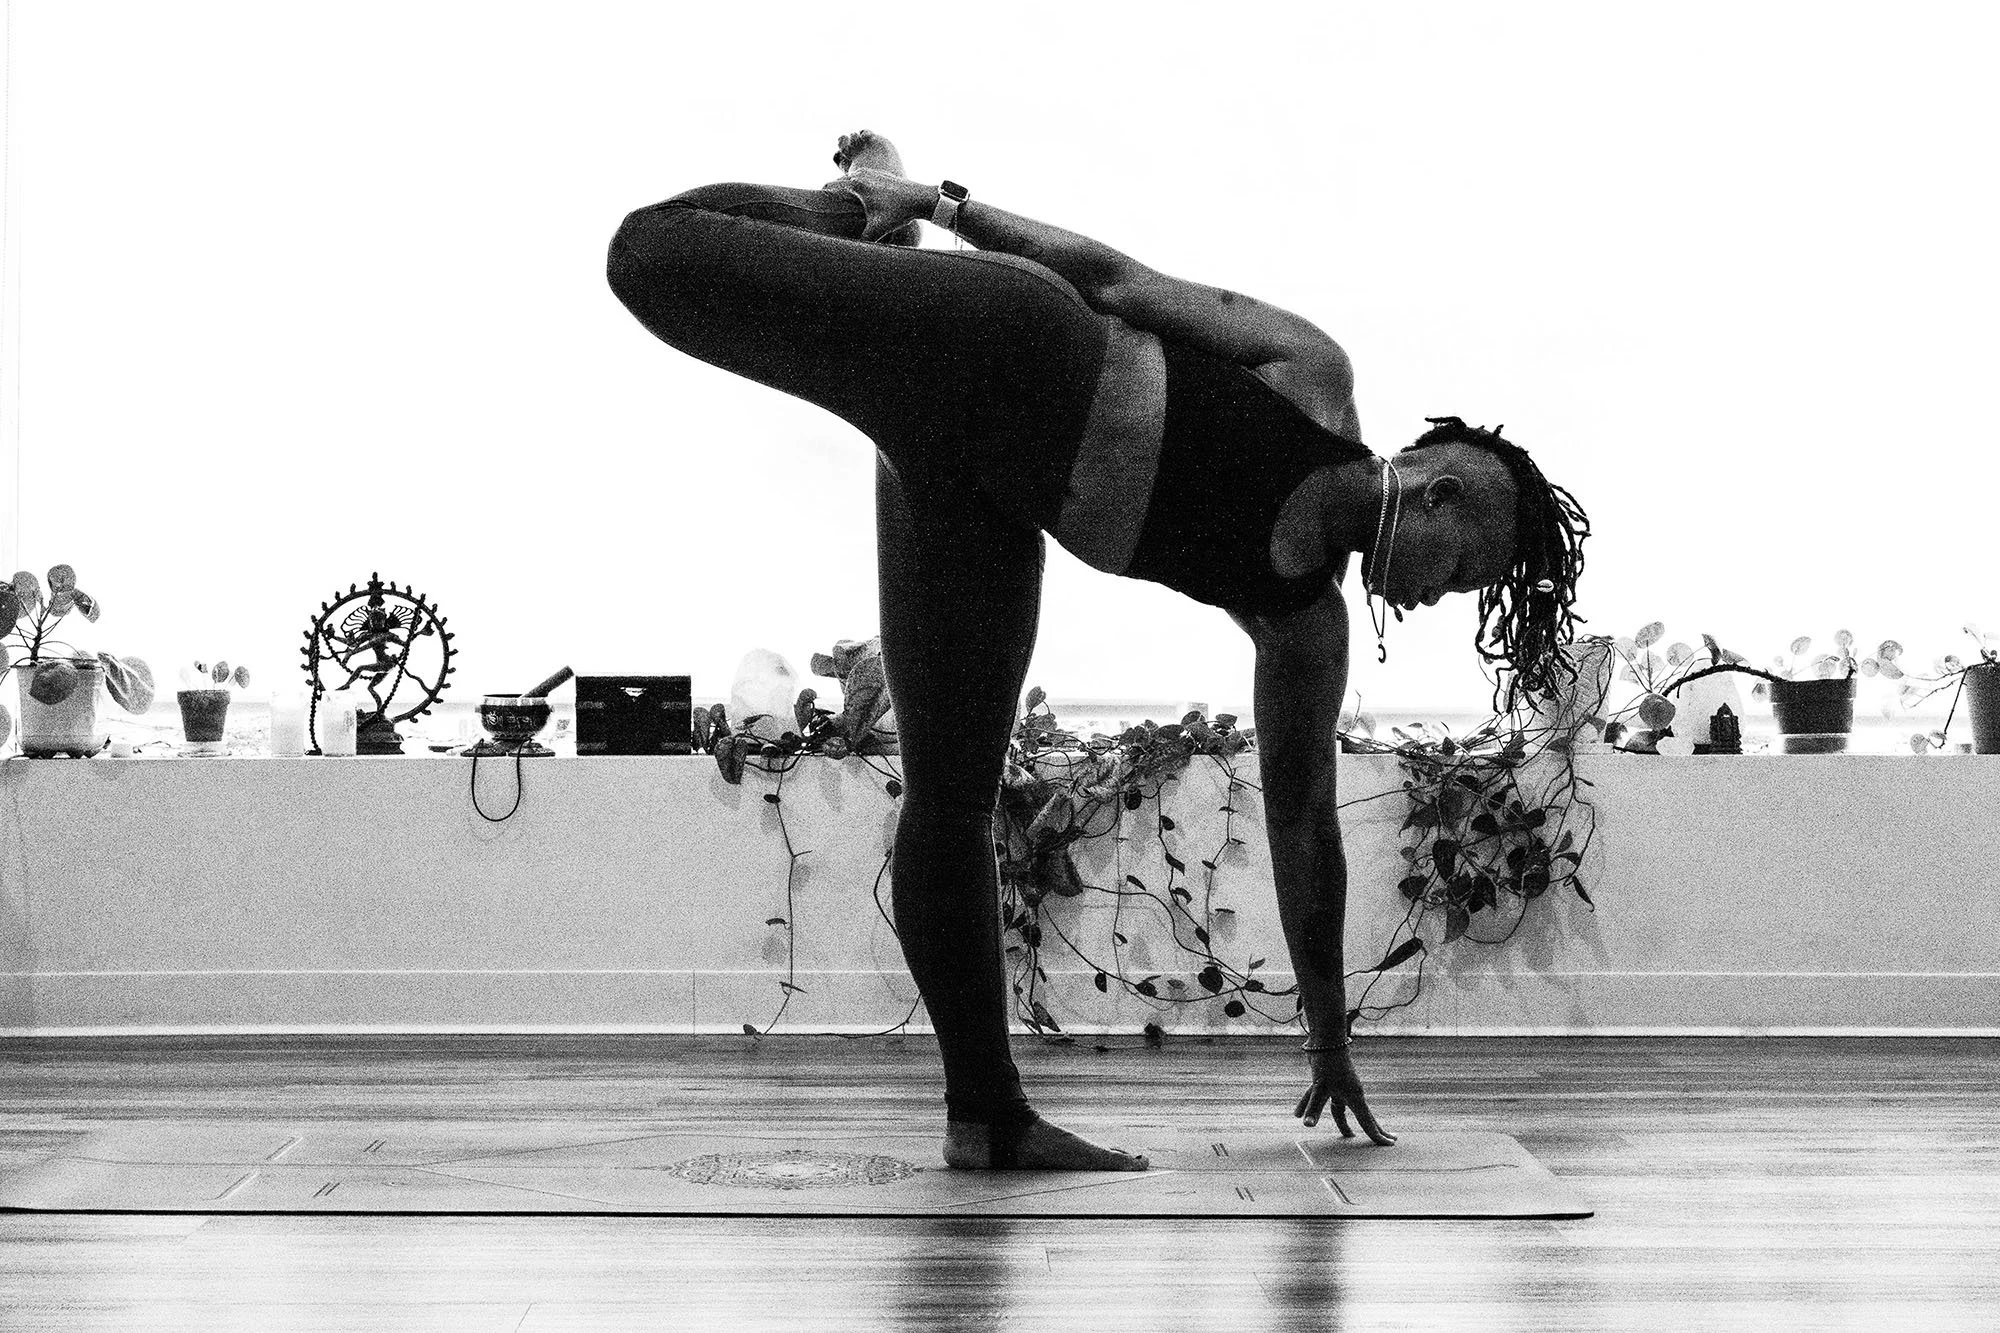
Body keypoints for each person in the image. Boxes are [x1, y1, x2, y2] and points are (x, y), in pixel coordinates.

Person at [606, 131, 1590, 1172]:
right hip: (1002, 335)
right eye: (1460, 569)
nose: (1436, 596)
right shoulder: (1310, 374)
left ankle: (987, 1118)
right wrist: (937, 200)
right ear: (1440, 495)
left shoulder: (1302, 622)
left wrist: (1330, 1033)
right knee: (653, 253)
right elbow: (1115, 279)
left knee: (951, 799)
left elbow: (1303, 820)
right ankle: (865, 203)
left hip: (978, 491)